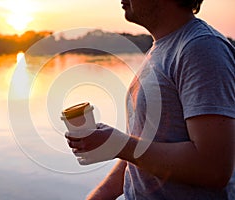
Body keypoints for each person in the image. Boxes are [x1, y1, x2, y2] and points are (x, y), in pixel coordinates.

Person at [65, 0, 235, 199]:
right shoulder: (161, 49)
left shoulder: (201, 48)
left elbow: (213, 169)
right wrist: (99, 195)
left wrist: (121, 145)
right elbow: (144, 150)